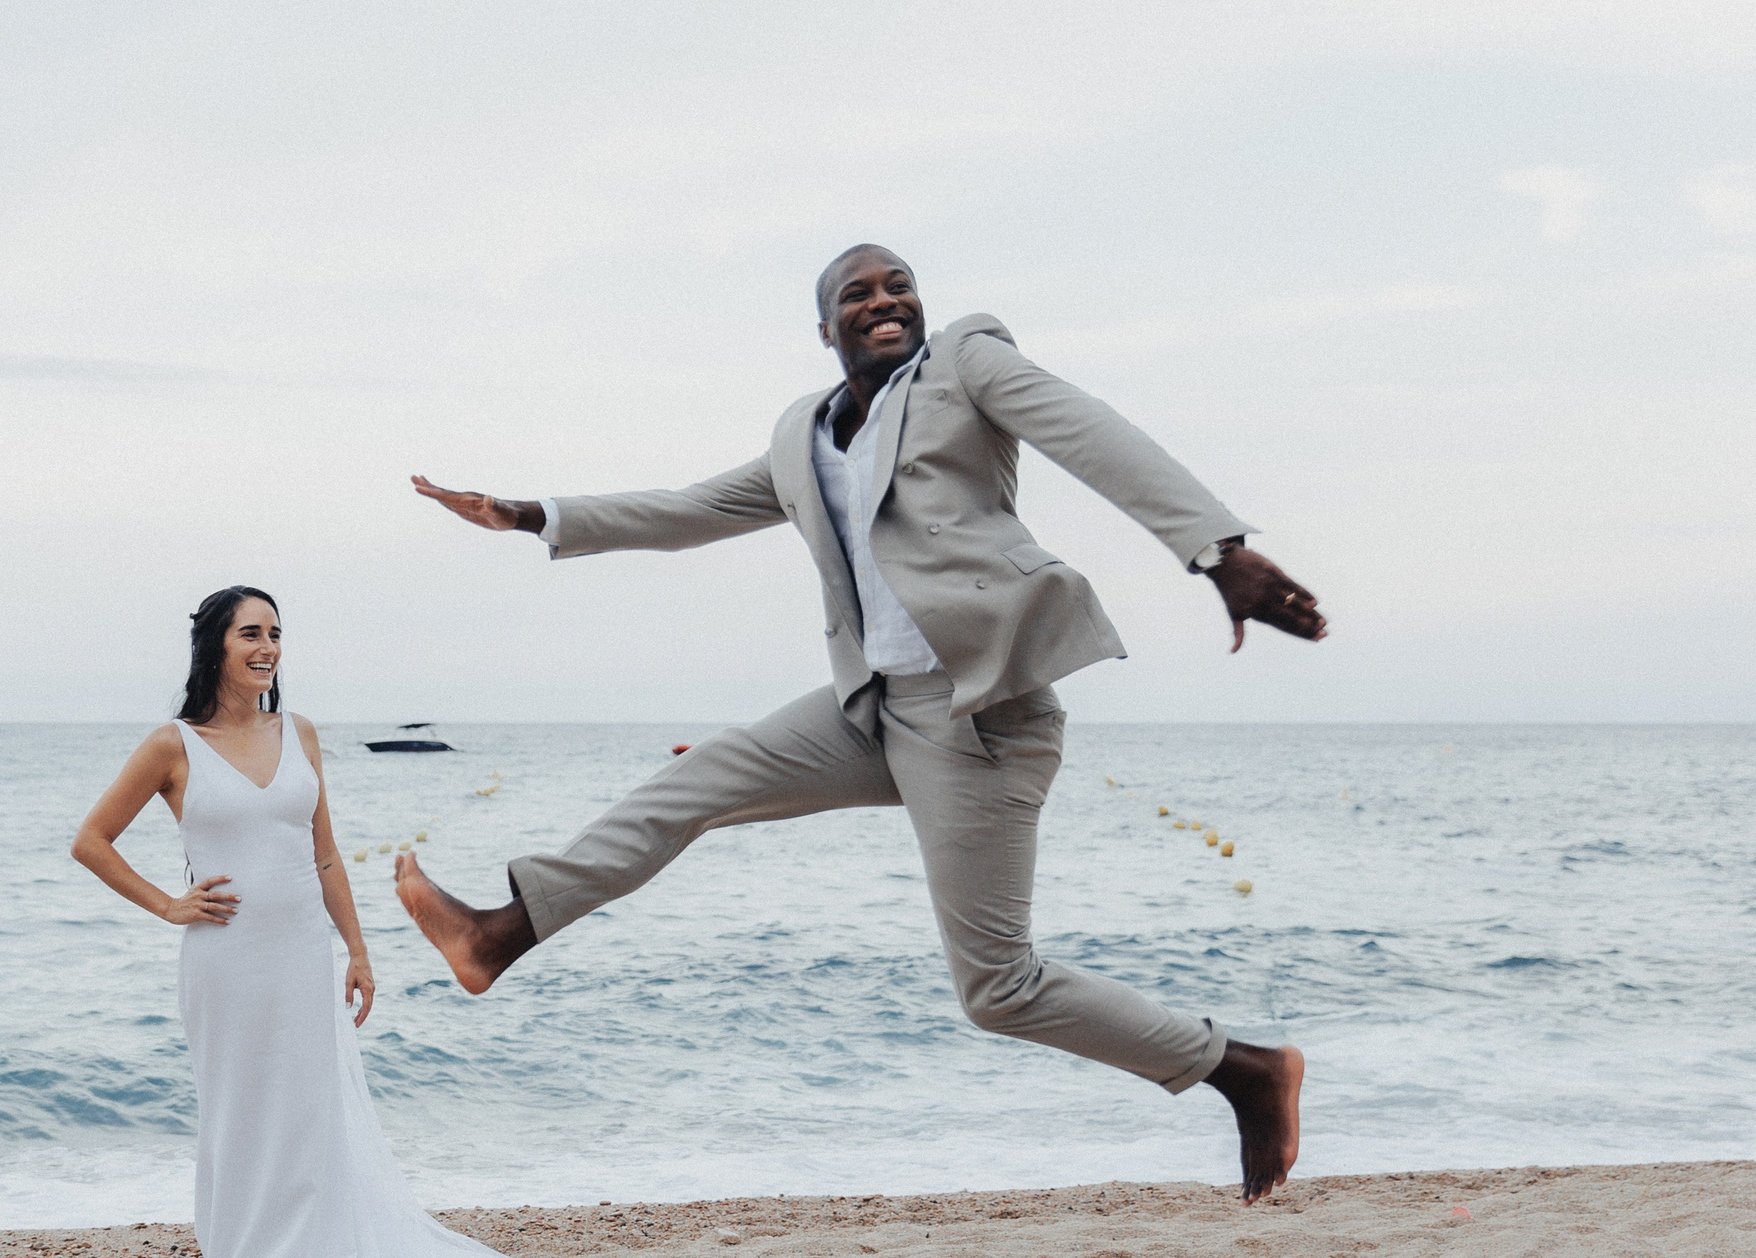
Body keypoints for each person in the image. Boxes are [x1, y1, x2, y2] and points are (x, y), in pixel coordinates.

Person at [398, 245, 1326, 1204]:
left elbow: (1093, 435)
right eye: (859, 293)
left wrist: (1218, 552)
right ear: (825, 326)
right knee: (697, 783)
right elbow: (691, 510)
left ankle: (1244, 1070)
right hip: (870, 707)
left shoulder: (967, 364)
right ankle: (503, 932)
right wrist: (530, 515)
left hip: (980, 716)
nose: (885, 302)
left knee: (996, 988)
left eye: (900, 288)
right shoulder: (805, 433)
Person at [71, 586, 662, 1258]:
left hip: (301, 953)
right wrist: (168, 903)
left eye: (276, 634)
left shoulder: (301, 733)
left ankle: (315, 1253)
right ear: (215, 646)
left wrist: (357, 949)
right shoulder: (173, 745)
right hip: (225, 961)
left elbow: (323, 857)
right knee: (239, 1111)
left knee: (310, 1109)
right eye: (250, 634)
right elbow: (91, 841)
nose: (267, 648)